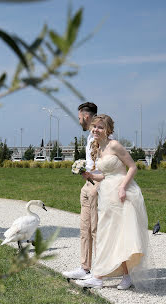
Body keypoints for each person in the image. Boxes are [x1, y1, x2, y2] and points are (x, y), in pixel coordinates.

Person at [76, 114, 150, 290]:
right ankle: (119, 276)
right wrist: (91, 176)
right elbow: (106, 175)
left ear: (108, 130)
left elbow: (132, 167)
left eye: (100, 127)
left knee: (118, 234)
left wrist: (123, 187)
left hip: (120, 193)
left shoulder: (114, 145)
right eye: (94, 127)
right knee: (109, 234)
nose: (96, 130)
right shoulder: (98, 147)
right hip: (106, 194)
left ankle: (101, 277)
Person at [63, 102, 102, 280]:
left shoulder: (101, 135)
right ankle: (84, 267)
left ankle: (99, 270)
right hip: (87, 185)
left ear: (86, 116)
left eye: (79, 118)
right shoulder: (89, 137)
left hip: (97, 185)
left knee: (95, 229)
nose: (79, 121)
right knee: (84, 228)